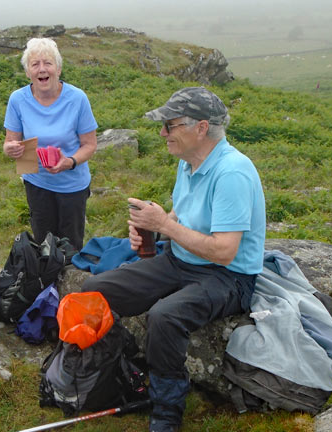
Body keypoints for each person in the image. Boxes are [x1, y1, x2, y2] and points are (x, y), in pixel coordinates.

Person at [81, 87, 266, 432]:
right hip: (180, 260)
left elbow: (225, 251)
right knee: (96, 289)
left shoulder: (232, 173)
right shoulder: (189, 163)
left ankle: (166, 411)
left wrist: (163, 224)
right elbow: (182, 215)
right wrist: (152, 229)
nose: (163, 134)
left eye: (170, 125)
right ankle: (114, 369)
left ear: (201, 128)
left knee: (165, 317)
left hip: (228, 277)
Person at [3, 37, 98, 251]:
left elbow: (90, 145)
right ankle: (47, 284)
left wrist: (70, 162)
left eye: (48, 63)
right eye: (34, 64)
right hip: (36, 183)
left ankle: (69, 284)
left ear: (59, 68)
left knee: (70, 246)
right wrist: (10, 148)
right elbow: (11, 141)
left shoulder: (77, 98)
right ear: (28, 72)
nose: (41, 69)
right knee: (44, 246)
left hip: (72, 185)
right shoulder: (18, 99)